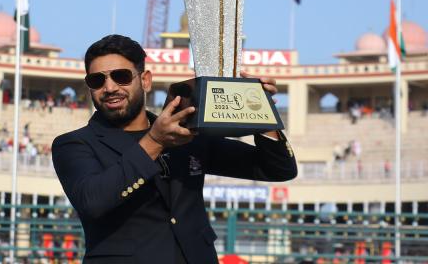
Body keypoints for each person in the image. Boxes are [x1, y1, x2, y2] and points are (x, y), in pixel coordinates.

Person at [52, 35, 297, 264]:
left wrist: (260, 111)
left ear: (145, 80)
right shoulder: (74, 144)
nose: (110, 87)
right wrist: (155, 141)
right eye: (97, 80)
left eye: (121, 76)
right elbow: (92, 201)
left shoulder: (188, 134)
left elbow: (277, 169)